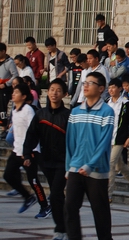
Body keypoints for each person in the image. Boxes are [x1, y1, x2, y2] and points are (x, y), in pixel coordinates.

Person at [65, 71, 114, 240]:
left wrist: (90, 165)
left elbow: (104, 143)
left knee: (100, 211)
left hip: (96, 170)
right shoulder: (75, 112)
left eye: (90, 83)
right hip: (76, 167)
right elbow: (70, 141)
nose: (85, 86)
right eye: (84, 83)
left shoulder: (107, 112)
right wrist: (69, 166)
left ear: (101, 88)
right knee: (70, 206)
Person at [23, 79, 70, 239]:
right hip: (46, 161)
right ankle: (64, 226)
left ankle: (61, 229)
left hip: (63, 162)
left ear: (64, 94)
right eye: (51, 89)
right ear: (47, 92)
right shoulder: (40, 114)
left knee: (55, 194)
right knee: (57, 196)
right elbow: (31, 135)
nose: (54, 93)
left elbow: (75, 140)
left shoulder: (68, 116)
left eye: (58, 90)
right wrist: (27, 154)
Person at [3, 83, 50, 217]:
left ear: (23, 96)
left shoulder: (28, 110)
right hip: (17, 150)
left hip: (30, 151)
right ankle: (28, 197)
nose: (13, 94)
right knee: (8, 175)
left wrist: (29, 152)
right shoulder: (15, 110)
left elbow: (33, 131)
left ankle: (45, 206)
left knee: (33, 180)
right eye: (13, 92)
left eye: (16, 92)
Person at [106, 78, 129, 203]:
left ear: (120, 88)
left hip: (119, 139)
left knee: (111, 164)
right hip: (108, 138)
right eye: (109, 88)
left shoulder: (125, 103)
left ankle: (108, 195)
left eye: (113, 87)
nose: (111, 90)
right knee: (119, 165)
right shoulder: (107, 103)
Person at [0, 43, 21, 129]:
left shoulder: (10, 62)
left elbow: (15, 75)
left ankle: (4, 127)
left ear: (3, 51)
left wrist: (6, 84)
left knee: (2, 108)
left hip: (5, 89)